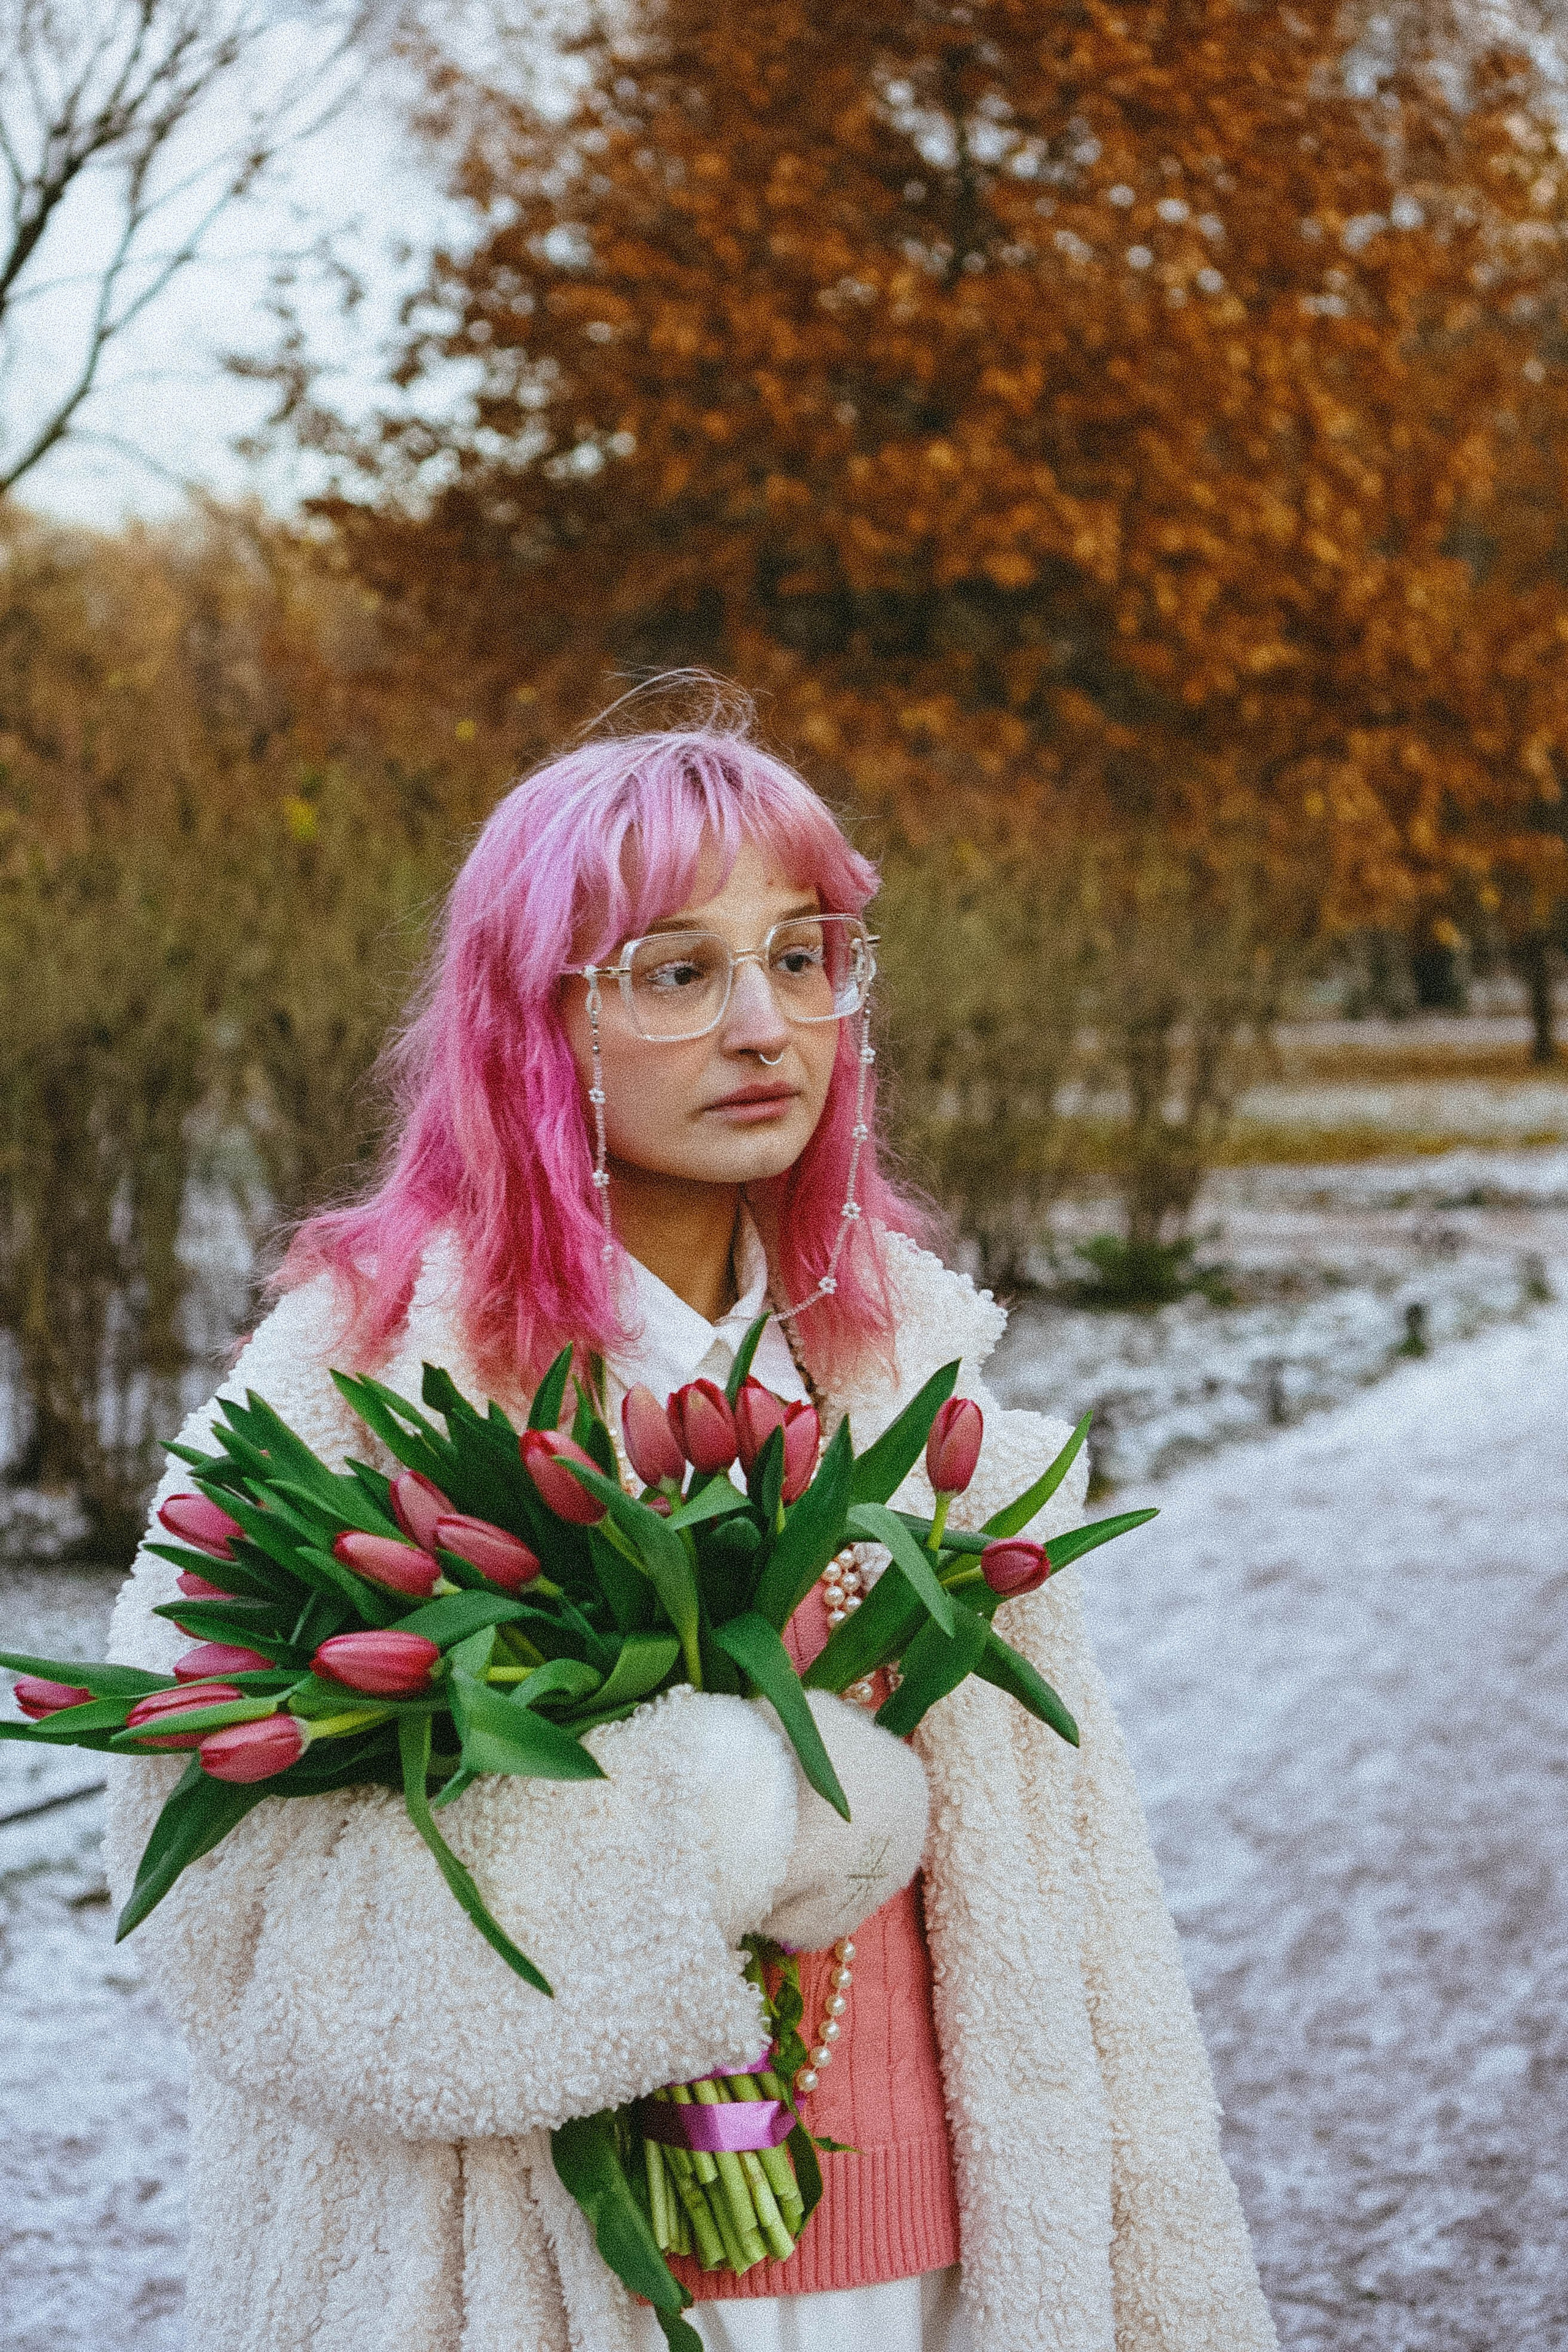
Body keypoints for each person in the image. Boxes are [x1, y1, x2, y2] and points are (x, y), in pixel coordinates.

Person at [104, 704, 1278, 2352]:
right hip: (535, 2278)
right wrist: (724, 1814)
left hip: (931, 2260)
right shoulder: (361, 1378)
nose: (764, 1026)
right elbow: (233, 1913)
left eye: (803, 958)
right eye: (675, 971)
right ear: (536, 1020)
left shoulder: (897, 1367)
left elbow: (1079, 1948)